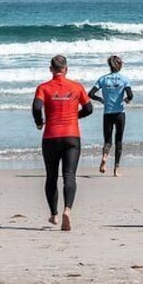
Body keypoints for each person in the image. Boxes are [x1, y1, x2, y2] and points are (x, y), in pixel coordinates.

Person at [32, 55, 93, 231]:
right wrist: (75, 116)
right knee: (69, 175)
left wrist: (39, 122)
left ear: (51, 69)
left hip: (51, 137)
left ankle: (54, 214)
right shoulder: (77, 87)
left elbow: (36, 107)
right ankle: (68, 210)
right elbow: (89, 109)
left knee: (51, 176)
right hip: (72, 137)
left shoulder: (43, 88)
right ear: (66, 69)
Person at [89, 55, 133, 177]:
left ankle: (104, 157)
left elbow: (91, 94)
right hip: (120, 113)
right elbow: (130, 95)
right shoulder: (124, 80)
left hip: (107, 113)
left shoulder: (103, 79)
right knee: (118, 141)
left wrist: (100, 99)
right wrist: (126, 99)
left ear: (110, 66)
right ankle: (116, 169)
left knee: (108, 141)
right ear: (120, 65)